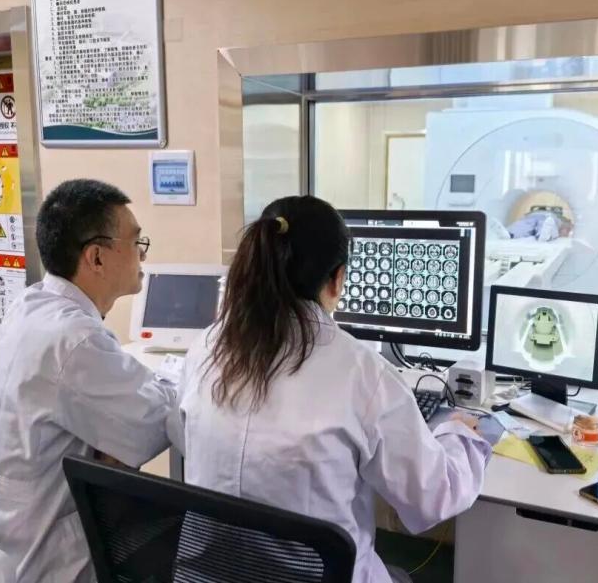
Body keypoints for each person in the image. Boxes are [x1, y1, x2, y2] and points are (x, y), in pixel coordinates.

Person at [170, 195, 491, 583]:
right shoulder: (362, 373)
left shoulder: (206, 347)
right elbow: (434, 497)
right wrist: (459, 435)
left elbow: (188, 437)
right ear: (337, 279)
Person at [0, 179, 176, 582]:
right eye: (136, 243)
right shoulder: (75, 340)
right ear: (96, 257)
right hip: (37, 558)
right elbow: (150, 428)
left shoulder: (31, 304)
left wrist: (113, 434)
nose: (142, 254)